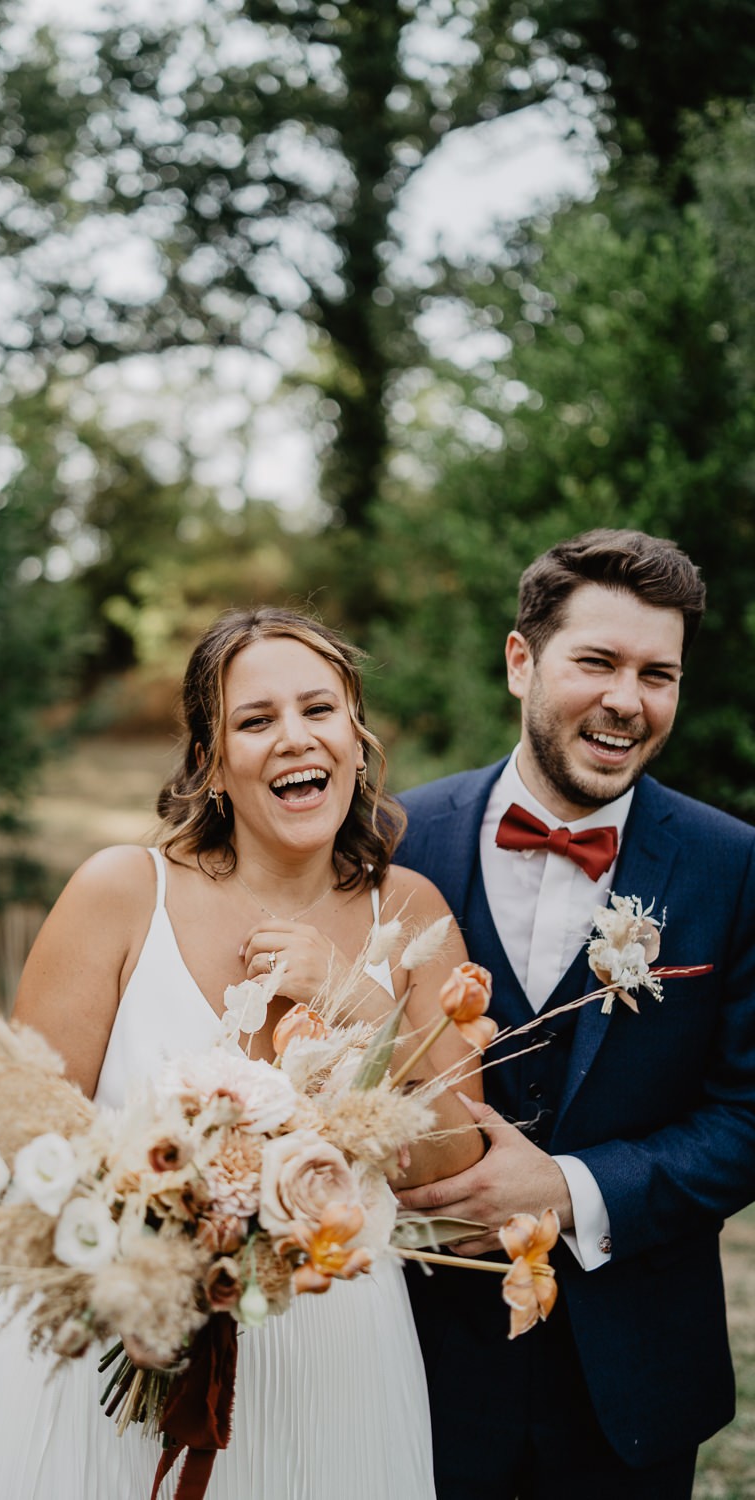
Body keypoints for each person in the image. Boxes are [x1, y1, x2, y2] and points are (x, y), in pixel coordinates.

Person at [0, 606, 483, 1500]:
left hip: (333, 1363)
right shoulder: (121, 893)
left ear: (356, 739)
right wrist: (164, 1222)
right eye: (255, 719)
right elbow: (16, 1150)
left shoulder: (413, 913)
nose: (294, 738)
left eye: (319, 709)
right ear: (210, 762)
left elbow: (455, 1161)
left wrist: (350, 999)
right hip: (119, 1348)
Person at [397, 528, 755, 1499]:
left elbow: (748, 1116)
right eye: (596, 661)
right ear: (521, 661)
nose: (627, 701)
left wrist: (568, 1190)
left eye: (658, 674)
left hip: (628, 1388)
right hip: (408, 1370)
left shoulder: (733, 866)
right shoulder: (393, 837)